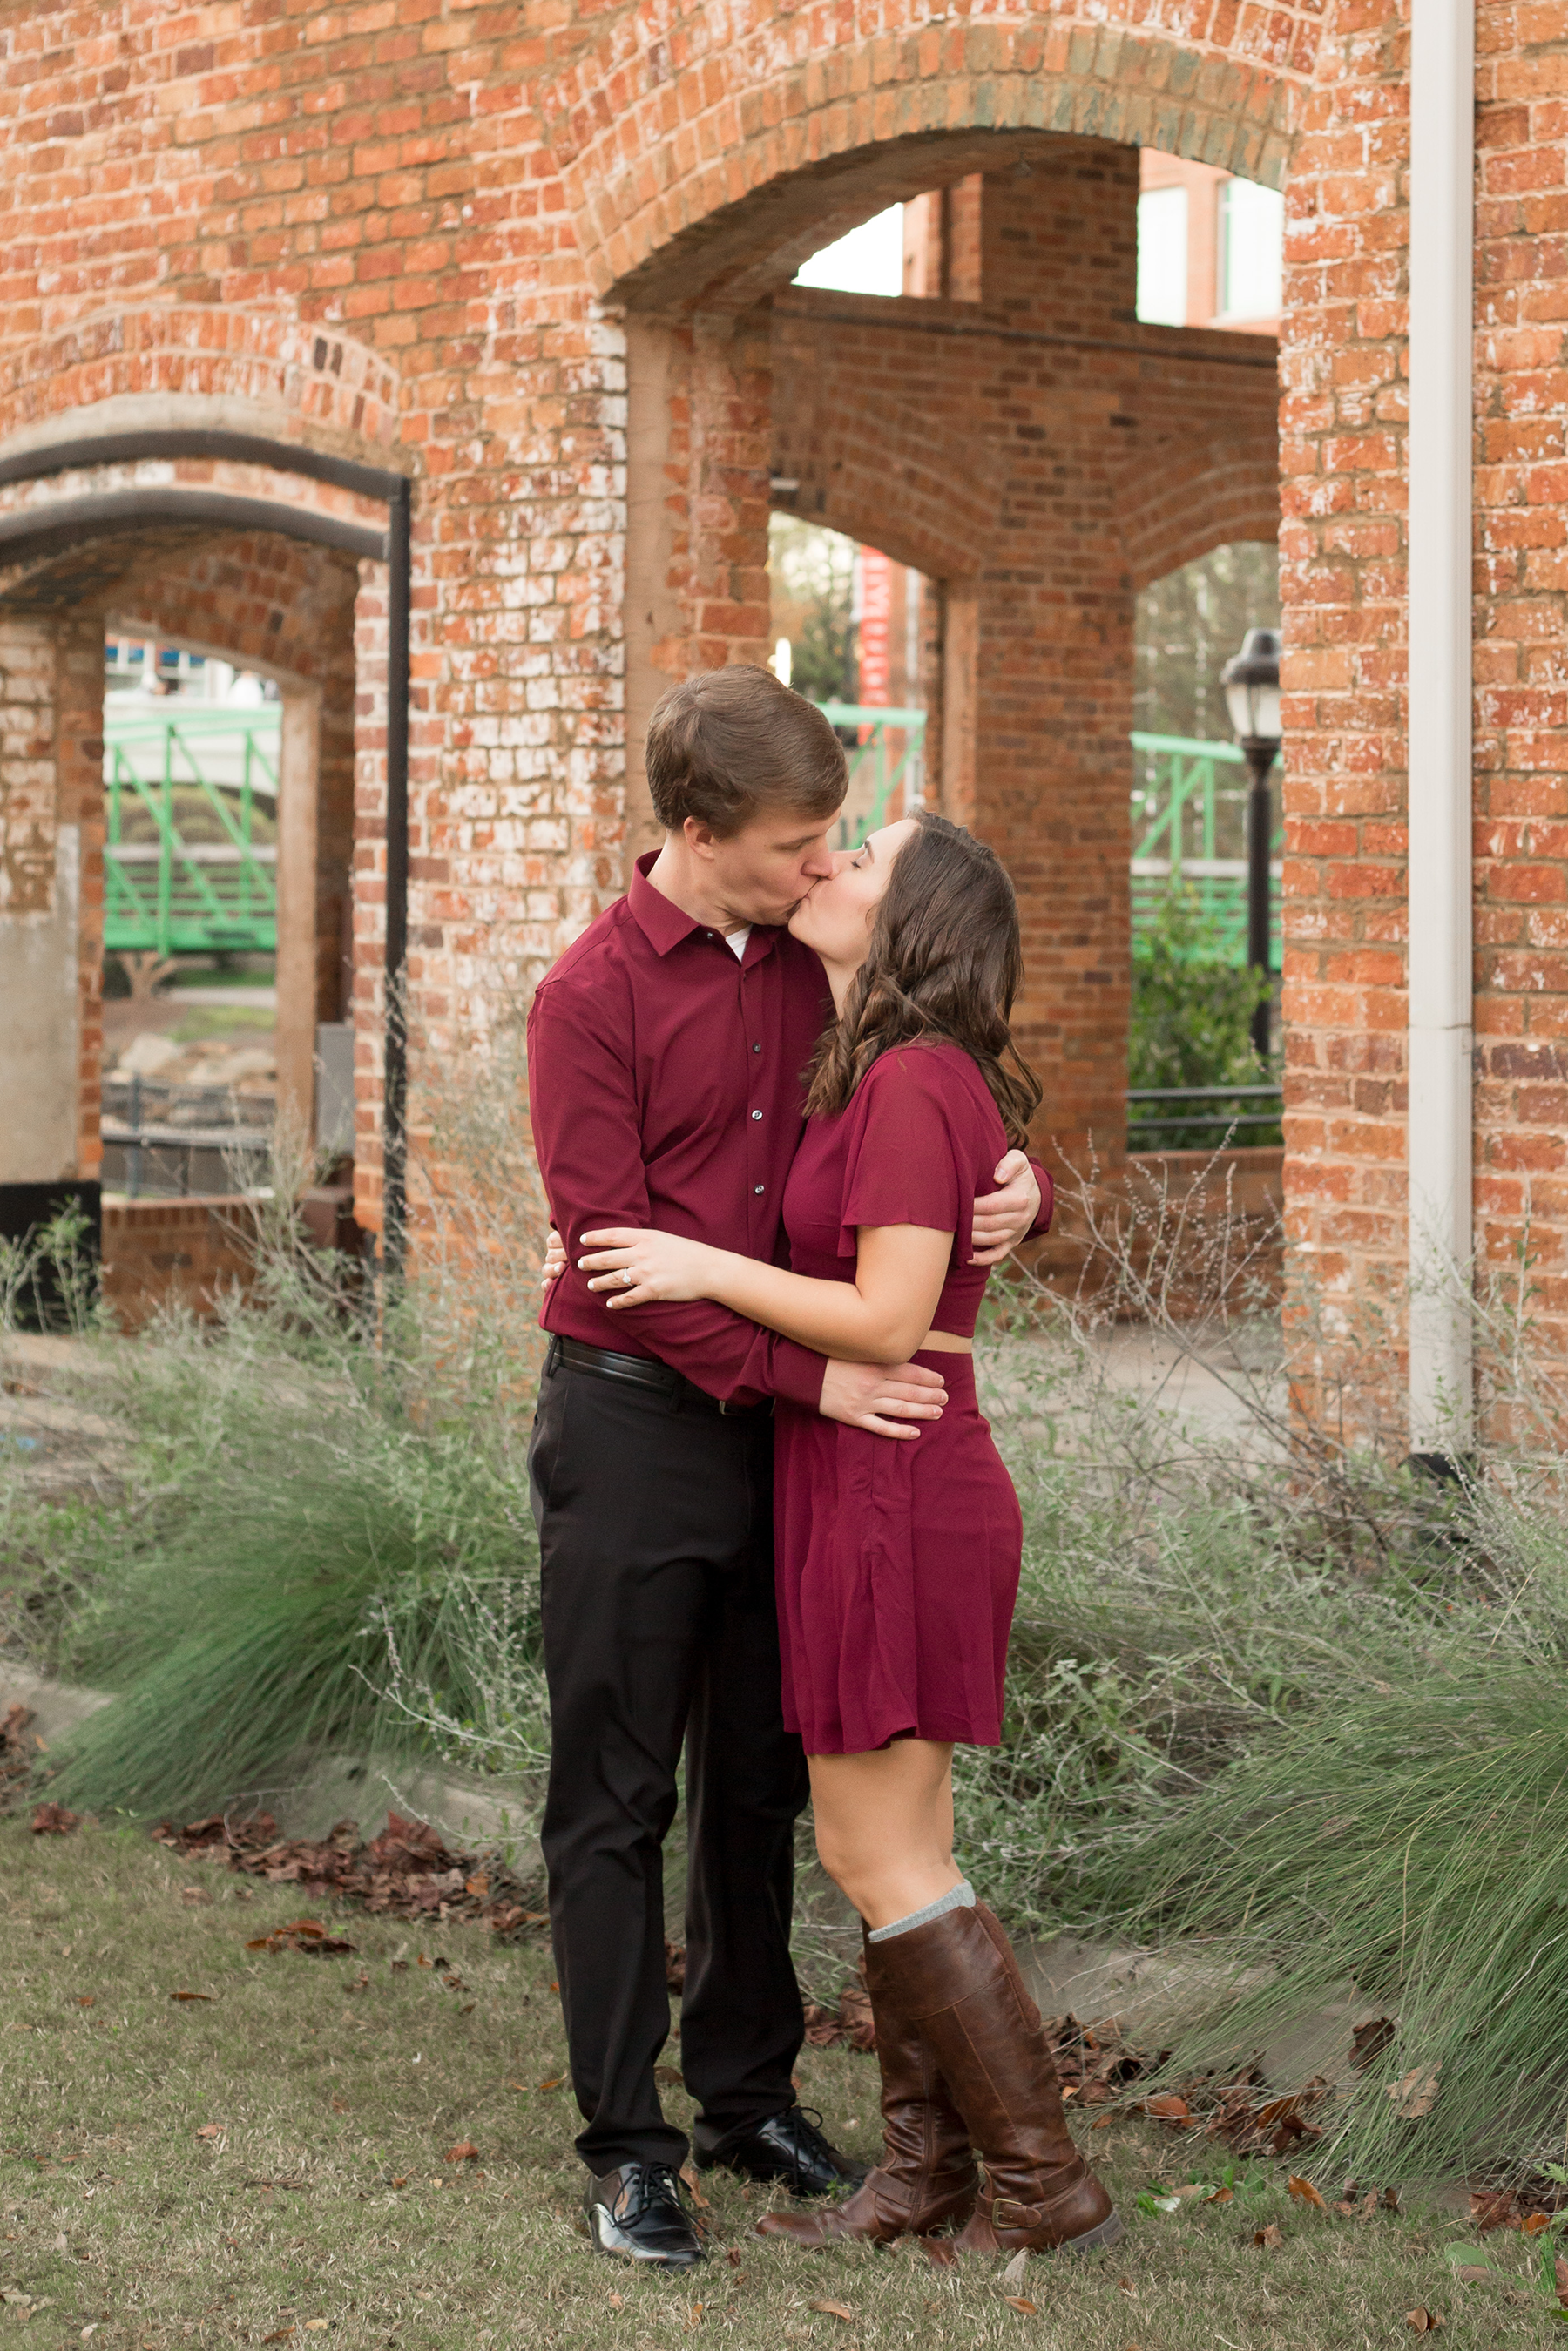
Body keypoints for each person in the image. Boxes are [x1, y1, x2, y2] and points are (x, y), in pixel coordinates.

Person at [525, 667, 1052, 2272]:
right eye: (797, 845)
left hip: (807, 1443)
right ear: (699, 833)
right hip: (634, 1419)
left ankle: (750, 2091)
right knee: (617, 1793)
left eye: (838, 843)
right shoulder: (590, 997)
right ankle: (632, 2147)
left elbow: (918, 1119)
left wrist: (1022, 1189)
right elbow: (623, 1261)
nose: (822, 867)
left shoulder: (825, 971)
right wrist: (815, 1371)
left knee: (765, 1781)